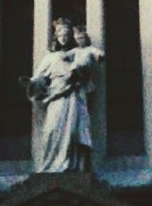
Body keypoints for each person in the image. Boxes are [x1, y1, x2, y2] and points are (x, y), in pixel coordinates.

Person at [25, 18, 103, 172]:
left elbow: (88, 71)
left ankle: (72, 167)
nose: (63, 36)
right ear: (56, 35)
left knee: (74, 132)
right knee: (52, 130)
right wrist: (31, 82)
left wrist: (79, 73)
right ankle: (51, 166)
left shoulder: (77, 54)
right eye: (60, 32)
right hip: (56, 97)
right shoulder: (50, 57)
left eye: (67, 33)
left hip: (73, 96)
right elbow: (38, 77)